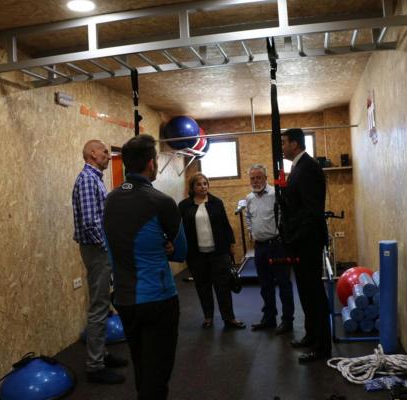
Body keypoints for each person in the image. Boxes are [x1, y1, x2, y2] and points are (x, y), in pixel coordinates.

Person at [103, 134, 187, 400]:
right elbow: (182, 252)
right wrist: (167, 246)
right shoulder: (161, 201)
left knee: (142, 368)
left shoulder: (110, 200)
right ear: (151, 164)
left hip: (125, 301)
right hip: (158, 301)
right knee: (157, 375)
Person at [72, 139, 128, 384]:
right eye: (105, 151)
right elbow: (89, 222)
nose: (108, 154)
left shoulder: (95, 179)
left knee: (104, 305)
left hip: (100, 249)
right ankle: (95, 366)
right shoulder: (86, 180)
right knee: (98, 306)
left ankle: (102, 355)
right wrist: (108, 249)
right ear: (92, 154)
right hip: (96, 250)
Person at [281, 128, 331, 363]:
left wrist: (295, 237)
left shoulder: (308, 168)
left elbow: (311, 212)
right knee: (305, 292)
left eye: (284, 143)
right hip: (301, 242)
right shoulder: (298, 167)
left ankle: (322, 347)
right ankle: (312, 335)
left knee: (314, 294)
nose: (281, 147)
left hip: (308, 241)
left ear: (294, 144)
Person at [178, 172, 246, 330]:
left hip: (219, 253)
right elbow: (180, 230)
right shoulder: (184, 206)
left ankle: (229, 318)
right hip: (196, 255)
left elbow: (225, 224)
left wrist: (231, 245)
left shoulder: (216, 202)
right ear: (192, 187)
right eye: (199, 184)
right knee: (202, 286)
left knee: (223, 286)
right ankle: (208, 317)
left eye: (205, 184)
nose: (203, 187)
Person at [245, 164, 294, 334]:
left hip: (277, 245)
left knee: (283, 283)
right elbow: (249, 218)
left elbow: (286, 216)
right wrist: (252, 232)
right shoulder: (249, 197)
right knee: (265, 285)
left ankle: (287, 320)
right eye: (252, 178)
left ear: (266, 178)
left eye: (259, 177)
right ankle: (269, 318)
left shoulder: (275, 194)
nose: (255, 181)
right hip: (260, 247)